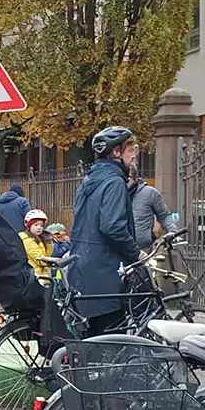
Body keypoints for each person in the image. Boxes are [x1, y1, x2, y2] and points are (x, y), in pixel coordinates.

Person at [69, 126, 142, 336]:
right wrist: (136, 253)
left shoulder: (87, 182)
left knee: (92, 342)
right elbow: (112, 227)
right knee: (112, 343)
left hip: (82, 269)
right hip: (106, 273)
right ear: (116, 153)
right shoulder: (114, 183)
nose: (134, 155)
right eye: (130, 150)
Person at [128, 168, 176, 252]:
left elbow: (164, 216)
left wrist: (173, 232)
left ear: (130, 177)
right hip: (119, 249)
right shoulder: (116, 193)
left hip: (144, 249)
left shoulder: (150, 193)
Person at [20, 209, 55, 279]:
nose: (39, 228)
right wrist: (57, 261)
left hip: (43, 276)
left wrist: (48, 242)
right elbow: (40, 260)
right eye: (36, 225)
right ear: (29, 226)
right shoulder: (27, 240)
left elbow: (48, 254)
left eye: (41, 225)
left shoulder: (41, 239)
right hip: (35, 277)